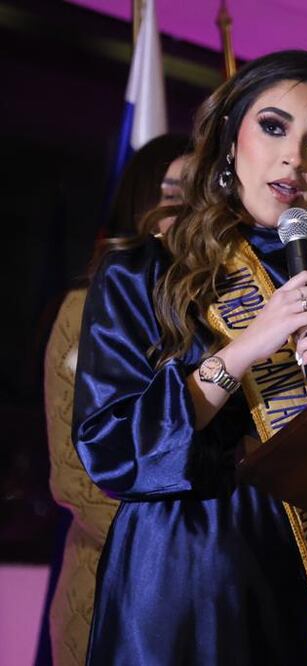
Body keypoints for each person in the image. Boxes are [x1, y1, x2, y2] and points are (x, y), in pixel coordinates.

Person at [73, 51, 307, 665]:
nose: (295, 157)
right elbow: (110, 448)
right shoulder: (139, 274)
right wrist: (245, 349)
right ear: (231, 139)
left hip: (296, 578)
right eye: (273, 127)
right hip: (176, 577)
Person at [43, 133, 191, 666]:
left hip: (203, 602)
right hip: (108, 590)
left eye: (201, 197)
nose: (186, 211)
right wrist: (187, 545)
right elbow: (75, 477)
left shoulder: (222, 317)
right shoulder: (87, 310)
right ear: (139, 203)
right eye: (171, 192)